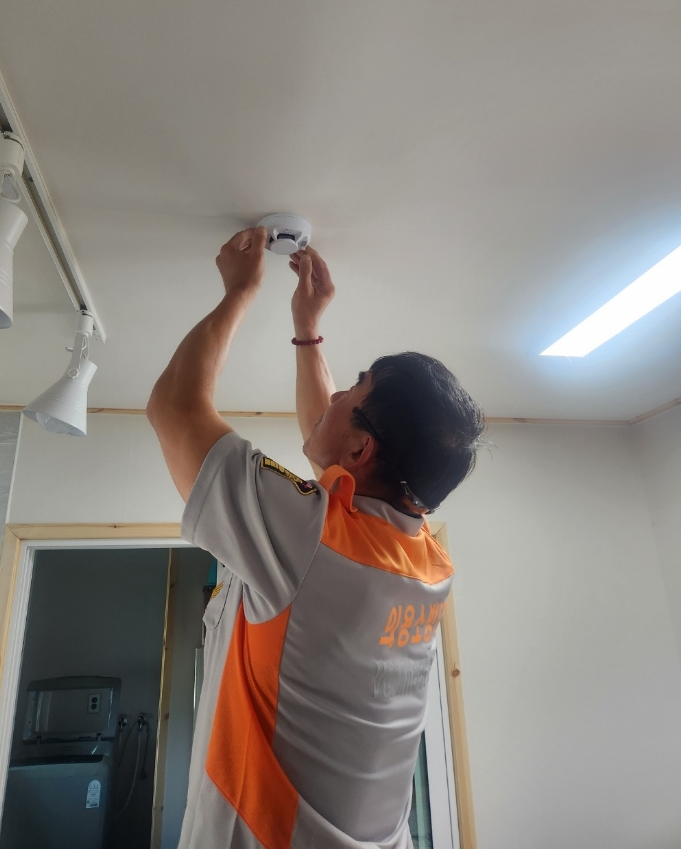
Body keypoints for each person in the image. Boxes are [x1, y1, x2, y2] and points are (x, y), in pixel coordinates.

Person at [147, 226, 484, 849]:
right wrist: (307, 330)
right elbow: (331, 457)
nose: (335, 395)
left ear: (363, 449)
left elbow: (174, 408)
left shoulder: (314, 542)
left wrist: (239, 292)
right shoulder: (425, 561)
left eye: (352, 389)